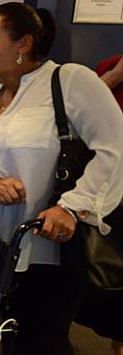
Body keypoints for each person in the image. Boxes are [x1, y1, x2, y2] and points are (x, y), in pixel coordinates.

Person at [0, 2, 123, 354]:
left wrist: (72, 206)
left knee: (42, 337)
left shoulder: (70, 81)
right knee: (4, 329)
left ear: (24, 44)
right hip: (3, 237)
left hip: (58, 244)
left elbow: (115, 149)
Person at [75, 54, 123, 355]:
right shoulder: (110, 66)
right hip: (108, 185)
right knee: (105, 268)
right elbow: (82, 114)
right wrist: (116, 75)